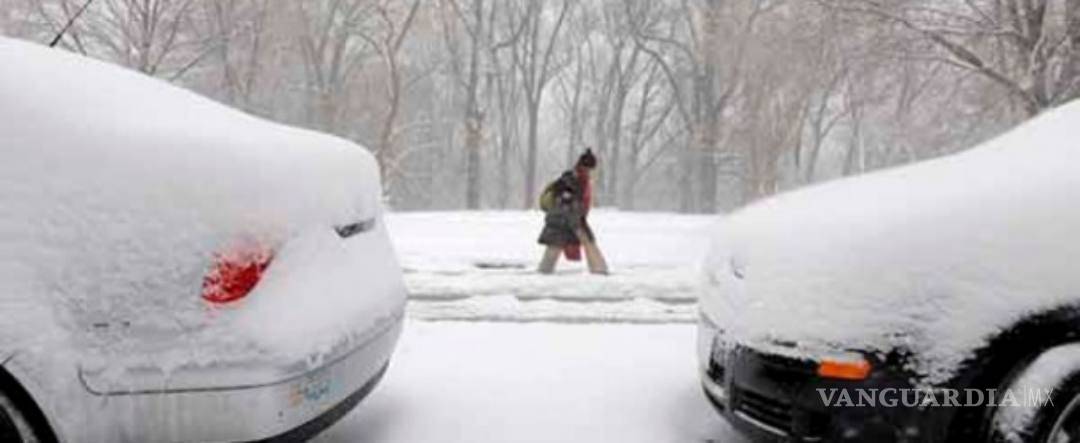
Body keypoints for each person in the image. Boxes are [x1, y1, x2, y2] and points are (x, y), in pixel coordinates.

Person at [537, 149, 609, 275]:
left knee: (555, 248)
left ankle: (543, 273)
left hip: (564, 220)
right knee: (585, 243)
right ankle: (599, 271)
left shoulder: (577, 179)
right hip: (564, 221)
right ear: (588, 167)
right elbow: (569, 204)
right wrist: (577, 224)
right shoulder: (575, 180)